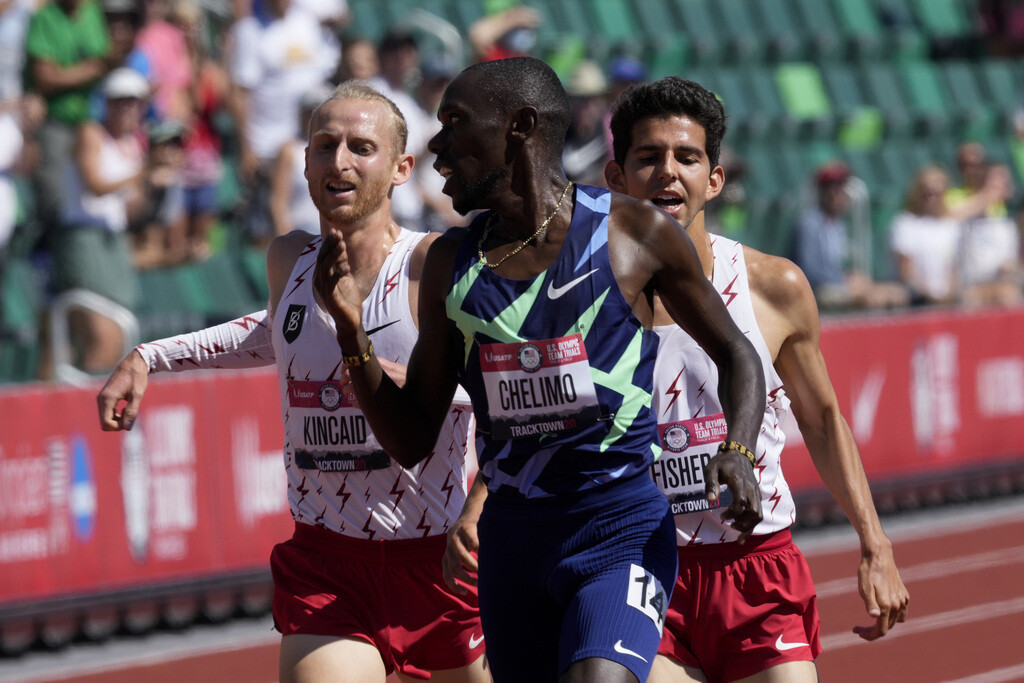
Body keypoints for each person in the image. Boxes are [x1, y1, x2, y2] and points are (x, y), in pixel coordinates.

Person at [314, 56, 767, 683]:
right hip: (513, 547)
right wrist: (351, 333)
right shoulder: (450, 263)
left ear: (519, 127)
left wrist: (738, 449)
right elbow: (412, 437)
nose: (438, 146)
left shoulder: (633, 232)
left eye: (455, 123)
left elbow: (738, 354)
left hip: (619, 528)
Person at [97, 82, 488, 683]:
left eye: (362, 147)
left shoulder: (430, 265)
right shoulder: (289, 258)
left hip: (436, 562)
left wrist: (423, 395)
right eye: (325, 145)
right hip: (329, 565)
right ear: (304, 163)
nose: (340, 162)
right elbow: (276, 330)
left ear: (402, 168)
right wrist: (151, 356)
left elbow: (499, 388)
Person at [599, 76, 911, 683]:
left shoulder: (773, 286)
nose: (668, 172)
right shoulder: (583, 296)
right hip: (640, 567)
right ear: (617, 176)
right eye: (648, 157)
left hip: (754, 567)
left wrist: (876, 544)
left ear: (715, 179)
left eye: (687, 157)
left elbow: (822, 419)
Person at [790, 161, 908, 311]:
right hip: (814, 292)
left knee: (896, 293)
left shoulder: (838, 226)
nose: (836, 192)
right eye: (829, 186)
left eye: (840, 186)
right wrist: (844, 281)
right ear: (821, 191)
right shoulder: (809, 223)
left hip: (836, 285)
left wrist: (851, 278)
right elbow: (809, 272)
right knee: (872, 299)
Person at [890, 165, 963, 306]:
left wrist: (948, 294)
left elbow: (953, 267)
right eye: (927, 193)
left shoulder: (951, 226)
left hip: (947, 298)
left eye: (936, 193)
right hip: (915, 298)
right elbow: (906, 271)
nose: (931, 198)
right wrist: (930, 295)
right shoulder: (905, 224)